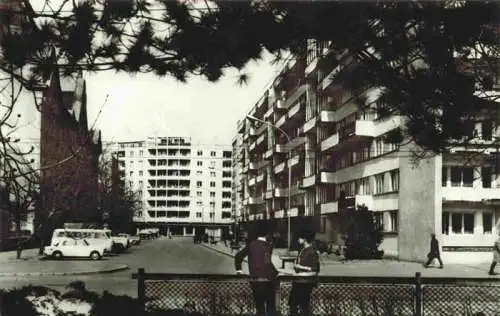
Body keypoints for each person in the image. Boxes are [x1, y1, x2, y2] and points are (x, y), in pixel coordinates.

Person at [235, 224, 278, 316]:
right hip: (268, 280)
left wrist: (239, 271)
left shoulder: (251, 245)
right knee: (271, 306)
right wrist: (276, 273)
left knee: (260, 306)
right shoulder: (268, 246)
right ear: (267, 235)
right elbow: (267, 262)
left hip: (255, 280)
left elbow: (238, 256)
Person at [288, 230, 320, 316]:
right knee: (293, 305)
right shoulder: (302, 250)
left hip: (305, 282)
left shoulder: (312, 251)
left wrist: (299, 267)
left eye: (299, 238)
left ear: (305, 239)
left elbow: (315, 269)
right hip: (298, 281)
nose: (298, 240)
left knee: (302, 306)